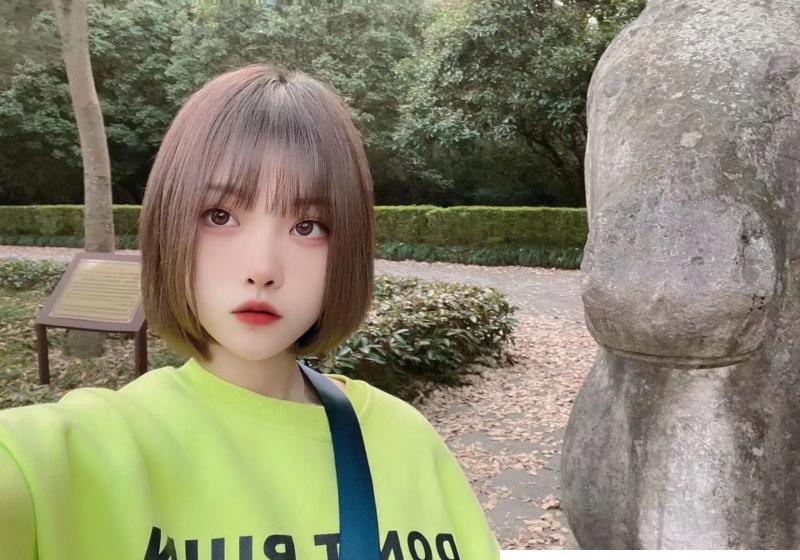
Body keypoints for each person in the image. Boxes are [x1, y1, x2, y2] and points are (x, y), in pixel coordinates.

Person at [0, 63, 501, 560]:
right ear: (169, 225)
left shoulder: (405, 440)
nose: (262, 269)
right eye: (220, 216)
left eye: (308, 226)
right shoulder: (79, 450)